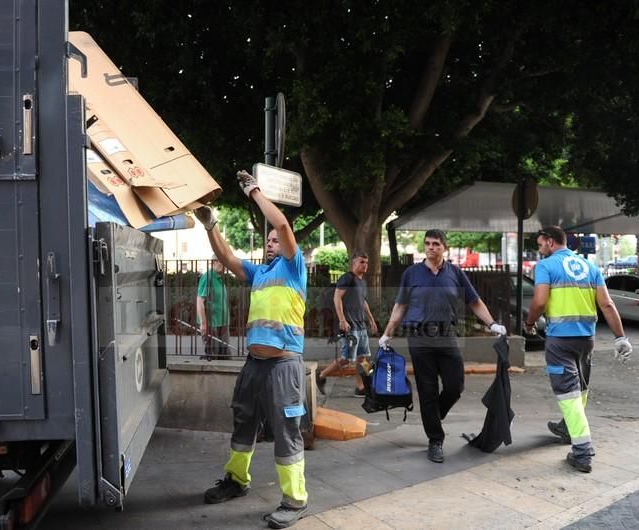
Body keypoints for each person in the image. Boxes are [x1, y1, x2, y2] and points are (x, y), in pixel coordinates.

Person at [194, 170, 308, 529]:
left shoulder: (294, 268)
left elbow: (285, 226)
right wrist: (211, 226)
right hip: (254, 365)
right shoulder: (259, 273)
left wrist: (254, 192)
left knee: (287, 431)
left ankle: (294, 499)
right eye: (269, 239)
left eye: (276, 239)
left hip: (284, 365)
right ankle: (237, 481)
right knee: (243, 424)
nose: (273, 241)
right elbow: (226, 258)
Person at [379, 229, 506, 464]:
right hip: (419, 337)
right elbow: (400, 306)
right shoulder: (412, 274)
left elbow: (474, 302)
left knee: (454, 385)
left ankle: (434, 415)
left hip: (446, 335)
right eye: (427, 243)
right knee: (427, 390)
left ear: (444, 247)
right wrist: (387, 333)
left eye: (436, 243)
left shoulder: (455, 274)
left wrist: (492, 324)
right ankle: (435, 440)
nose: (430, 247)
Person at [524, 226, 632, 473]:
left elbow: (539, 301)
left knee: (568, 393)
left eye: (541, 245)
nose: (540, 250)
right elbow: (606, 303)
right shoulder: (590, 268)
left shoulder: (546, 266)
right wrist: (620, 337)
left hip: (560, 340)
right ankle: (565, 427)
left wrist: (529, 323)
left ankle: (582, 452)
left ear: (550, 243)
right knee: (580, 388)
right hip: (587, 339)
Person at [316, 252, 378, 397]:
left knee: (361, 358)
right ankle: (321, 375)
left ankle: (361, 387)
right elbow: (337, 298)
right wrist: (342, 320)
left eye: (366, 262)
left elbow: (363, 302)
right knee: (347, 358)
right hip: (349, 326)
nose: (365, 265)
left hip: (361, 325)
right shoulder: (347, 278)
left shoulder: (362, 282)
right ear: (354, 264)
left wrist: (371, 319)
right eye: (362, 262)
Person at [196, 255, 230, 360]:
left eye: (225, 262)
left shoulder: (220, 278)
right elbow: (199, 301)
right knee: (214, 357)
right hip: (212, 324)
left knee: (225, 357)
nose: (224, 265)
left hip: (222, 323)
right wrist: (203, 324)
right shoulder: (208, 277)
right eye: (221, 261)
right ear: (213, 262)